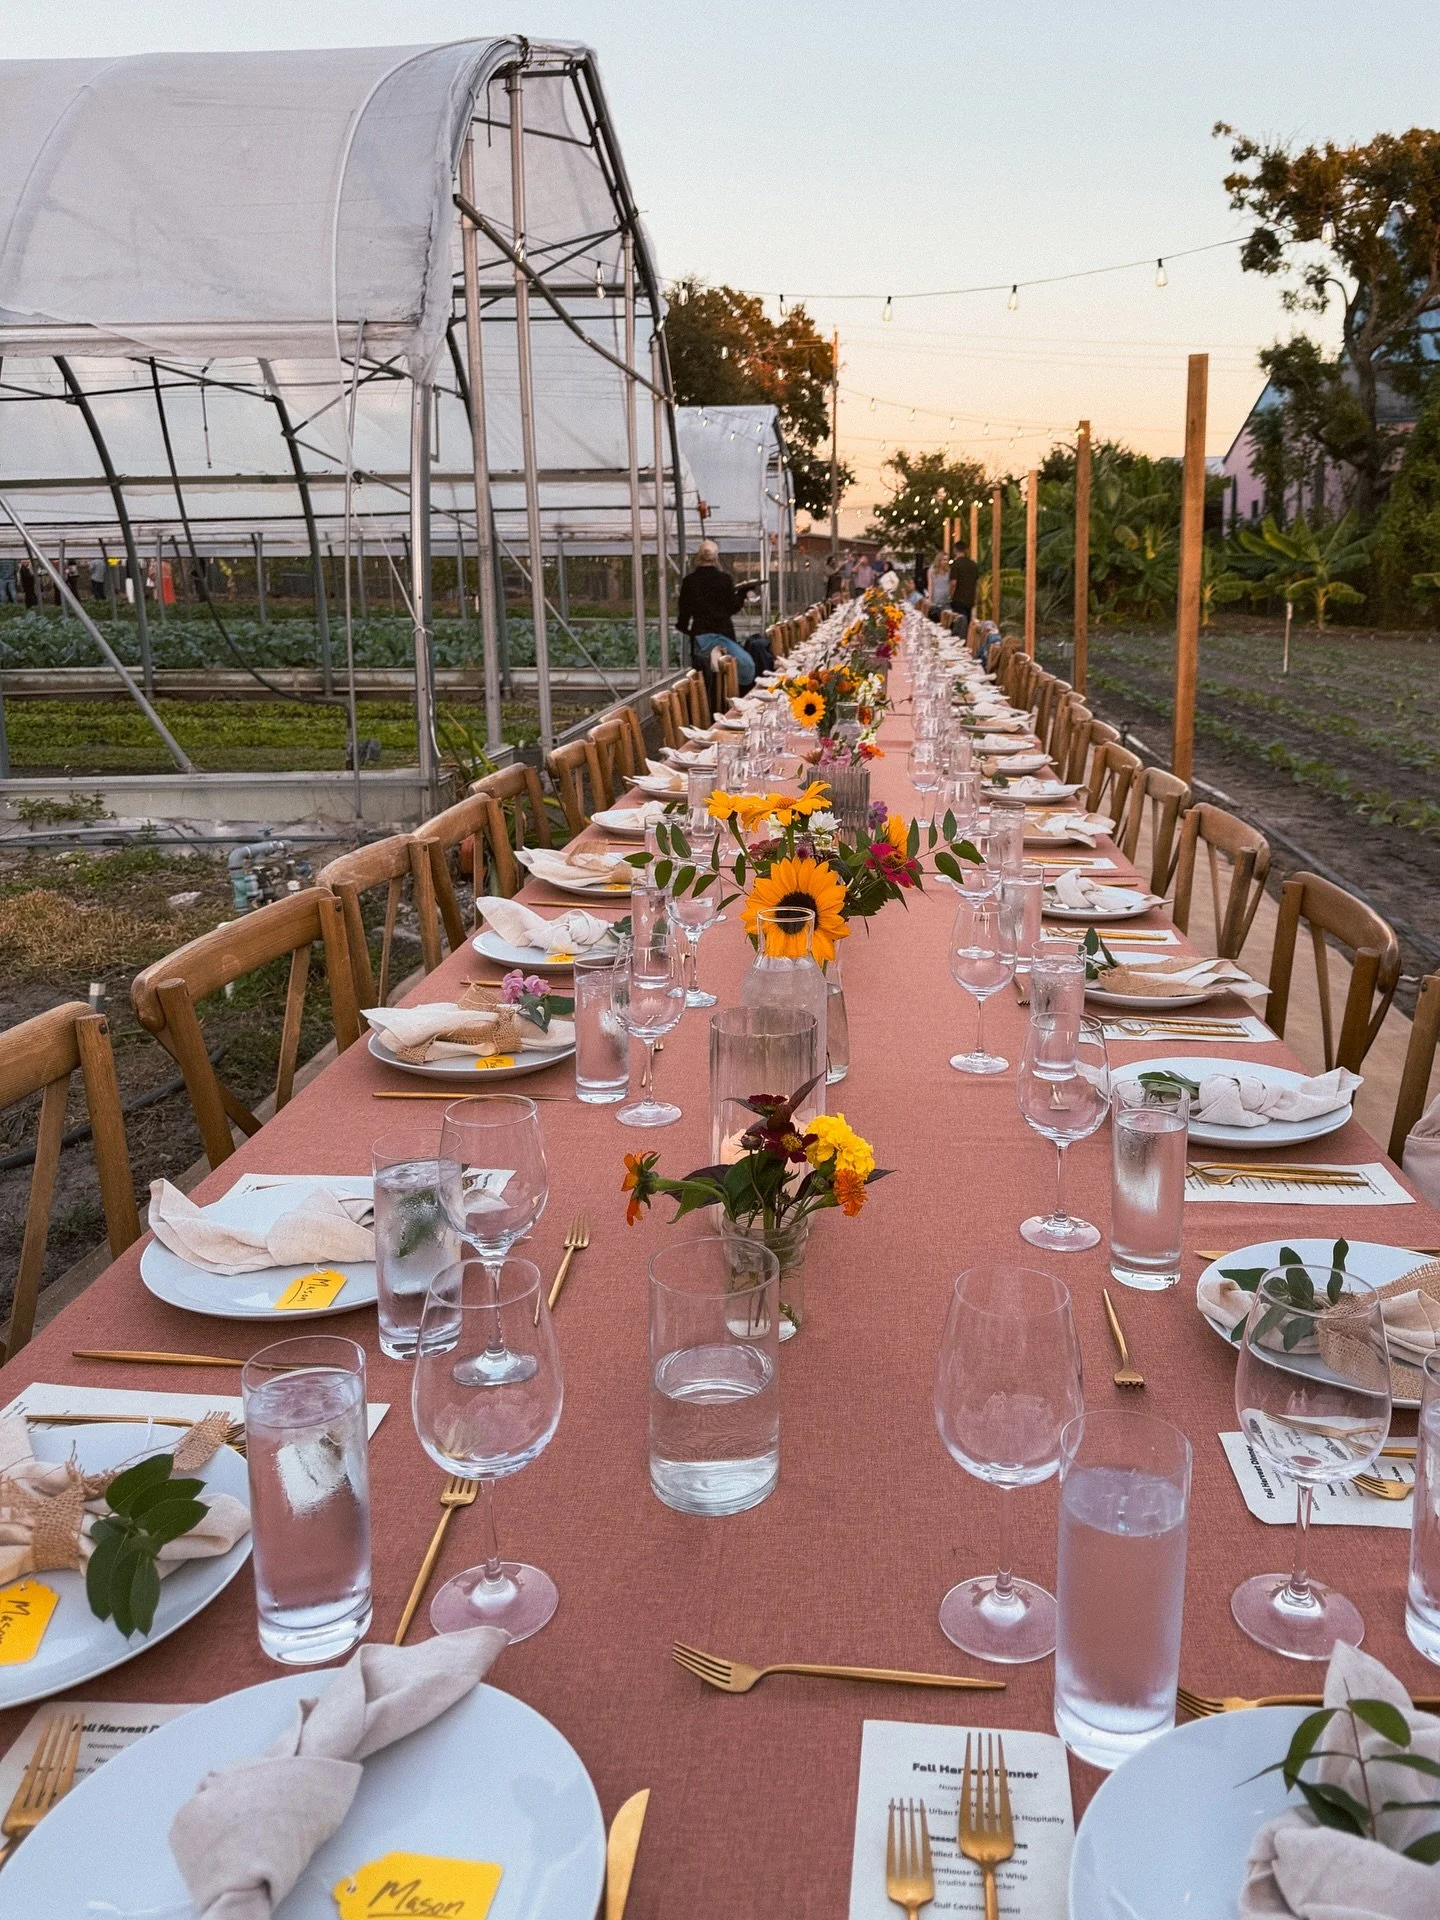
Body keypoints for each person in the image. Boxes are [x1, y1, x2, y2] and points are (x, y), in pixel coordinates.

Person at [676, 540, 760, 691]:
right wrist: (742, 594)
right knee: (730, 675)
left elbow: (684, 612)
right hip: (724, 634)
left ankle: (707, 708)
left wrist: (684, 628)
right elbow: (733, 607)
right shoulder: (724, 579)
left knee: (704, 681)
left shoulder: (689, 581)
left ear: (698, 557)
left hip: (701, 637)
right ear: (715, 558)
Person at [948, 542, 979, 636]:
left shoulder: (956, 564)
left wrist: (950, 596)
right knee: (967, 626)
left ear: (955, 550)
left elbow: (953, 583)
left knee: (959, 626)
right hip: (970, 599)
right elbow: (977, 584)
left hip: (958, 599)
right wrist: (975, 598)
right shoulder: (973, 565)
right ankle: (966, 643)